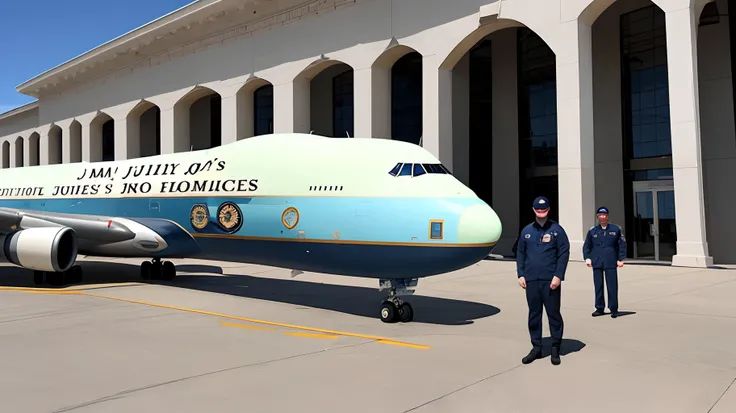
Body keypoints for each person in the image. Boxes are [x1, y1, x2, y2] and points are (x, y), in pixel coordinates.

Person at [516, 196, 570, 366]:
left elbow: (564, 253)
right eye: (538, 210)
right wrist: (521, 274)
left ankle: (555, 347)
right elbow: (520, 253)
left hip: (550, 280)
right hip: (531, 279)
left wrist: (558, 275)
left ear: (548, 210)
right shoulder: (526, 231)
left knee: (553, 314)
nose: (541, 212)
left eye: (544, 210)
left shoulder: (557, 230)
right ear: (533, 210)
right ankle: (536, 347)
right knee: (534, 314)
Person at [583, 206, 626, 318]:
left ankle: (613, 308)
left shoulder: (615, 229)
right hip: (597, 260)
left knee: (612, 286)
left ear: (607, 216)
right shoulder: (593, 231)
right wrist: (587, 258)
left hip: (610, 260)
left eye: (604, 215)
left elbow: (621, 245)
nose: (602, 217)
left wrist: (620, 259)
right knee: (598, 285)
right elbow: (587, 245)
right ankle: (599, 307)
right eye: (600, 215)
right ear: (597, 216)